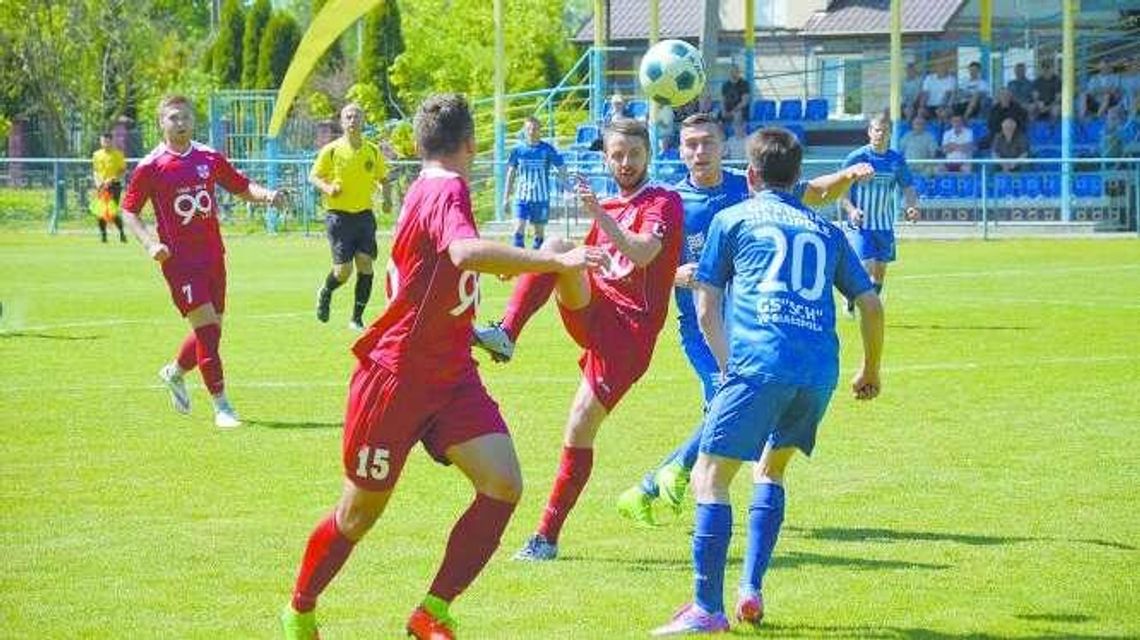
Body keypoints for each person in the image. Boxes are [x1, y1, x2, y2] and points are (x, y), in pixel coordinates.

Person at [279, 94, 604, 640]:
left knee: (502, 483)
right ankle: (300, 609)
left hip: (450, 374)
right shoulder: (445, 188)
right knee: (358, 516)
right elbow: (463, 255)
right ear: (471, 143)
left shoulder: (424, 187)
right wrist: (555, 260)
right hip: (397, 380)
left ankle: (431, 611)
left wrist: (468, 329)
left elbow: (421, 281)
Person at [650, 126, 884, 635]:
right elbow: (870, 302)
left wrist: (726, 365)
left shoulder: (733, 217)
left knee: (710, 478)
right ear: (798, 176)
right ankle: (751, 590)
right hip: (819, 372)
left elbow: (707, 301)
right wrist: (871, 369)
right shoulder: (826, 230)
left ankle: (707, 610)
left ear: (750, 174)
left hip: (758, 364)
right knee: (770, 472)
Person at [614, 114, 876, 527]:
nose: (699, 152)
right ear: (679, 151)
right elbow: (642, 262)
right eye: (691, 145)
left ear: (724, 147)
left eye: (707, 143)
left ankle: (661, 480)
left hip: (754, 327)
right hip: (703, 327)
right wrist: (676, 274)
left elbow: (814, 192)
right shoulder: (671, 202)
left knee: (736, 407)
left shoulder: (747, 186)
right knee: (730, 401)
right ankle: (667, 479)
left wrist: (847, 174)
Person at [472, 118, 684, 561]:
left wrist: (598, 215)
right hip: (595, 311)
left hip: (628, 336)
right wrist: (528, 265)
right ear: (606, 158)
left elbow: (642, 252)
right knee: (553, 246)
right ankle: (506, 333)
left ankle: (546, 537)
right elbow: (582, 260)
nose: (626, 163)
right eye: (617, 155)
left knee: (578, 426)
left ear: (649, 154)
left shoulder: (663, 201)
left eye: (634, 154)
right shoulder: (608, 203)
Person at [120, 95, 288, 429]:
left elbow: (240, 187)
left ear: (192, 121)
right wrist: (151, 243)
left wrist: (268, 196)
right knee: (208, 332)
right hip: (179, 262)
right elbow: (129, 210)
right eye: (172, 118)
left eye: (184, 117)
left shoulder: (208, 156)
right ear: (161, 123)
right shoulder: (151, 166)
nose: (179, 123)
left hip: (213, 256)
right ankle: (222, 406)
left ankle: (174, 372)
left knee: (210, 331)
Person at [310, 103, 388, 331]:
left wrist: (388, 198)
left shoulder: (372, 151)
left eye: (357, 116)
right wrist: (327, 188)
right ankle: (326, 291)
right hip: (339, 216)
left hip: (364, 215)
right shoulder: (332, 150)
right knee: (343, 272)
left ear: (363, 121)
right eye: (348, 117)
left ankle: (356, 318)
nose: (353, 120)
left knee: (365, 263)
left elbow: (382, 178)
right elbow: (314, 176)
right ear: (342, 122)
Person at [839, 113, 920, 316]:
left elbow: (908, 187)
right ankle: (858, 303)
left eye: (884, 131)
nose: (880, 134)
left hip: (884, 225)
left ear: (890, 134)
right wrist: (852, 210)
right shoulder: (857, 158)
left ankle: (864, 303)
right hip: (861, 224)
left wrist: (912, 206)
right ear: (869, 132)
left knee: (880, 272)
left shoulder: (896, 160)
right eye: (876, 130)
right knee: (865, 266)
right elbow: (842, 191)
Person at [503, 116, 567, 249]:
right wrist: (506, 198)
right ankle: (519, 263)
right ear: (525, 131)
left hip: (541, 198)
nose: (532, 132)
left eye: (535, 129)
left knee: (539, 234)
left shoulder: (547, 149)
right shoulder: (518, 150)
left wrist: (564, 184)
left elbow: (561, 167)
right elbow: (511, 174)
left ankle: (537, 265)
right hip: (521, 197)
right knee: (518, 230)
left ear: (540, 131)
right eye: (529, 129)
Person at [92, 131, 128, 243]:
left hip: (114, 186)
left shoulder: (118, 154)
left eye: (107, 141)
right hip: (101, 186)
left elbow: (122, 171)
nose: (105, 143)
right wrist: (98, 182)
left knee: (112, 212)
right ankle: (103, 236)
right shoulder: (97, 155)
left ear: (111, 141)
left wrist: (112, 179)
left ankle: (122, 233)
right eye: (103, 141)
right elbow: (96, 171)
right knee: (100, 211)